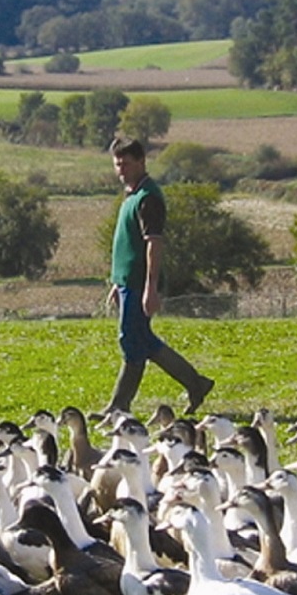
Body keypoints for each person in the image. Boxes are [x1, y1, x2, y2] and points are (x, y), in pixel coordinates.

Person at [105, 135, 214, 417]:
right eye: (117, 164)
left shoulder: (148, 198)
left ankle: (119, 406)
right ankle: (196, 383)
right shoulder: (132, 196)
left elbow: (154, 243)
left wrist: (150, 288)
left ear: (141, 162)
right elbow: (126, 245)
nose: (121, 170)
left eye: (126, 163)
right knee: (143, 341)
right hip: (127, 281)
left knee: (132, 340)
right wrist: (117, 282)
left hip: (140, 282)